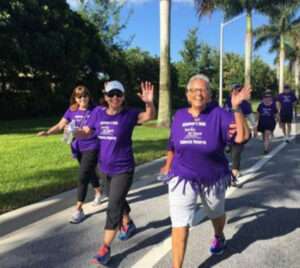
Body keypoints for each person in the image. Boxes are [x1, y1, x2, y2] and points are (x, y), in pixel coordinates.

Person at [160, 74, 250, 268]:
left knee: (215, 213)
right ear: (187, 94)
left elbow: (242, 136)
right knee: (179, 224)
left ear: (209, 95)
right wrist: (168, 165)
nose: (198, 94)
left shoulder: (219, 114)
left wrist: (236, 108)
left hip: (213, 177)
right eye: (193, 90)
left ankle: (219, 235)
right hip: (181, 177)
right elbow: (172, 144)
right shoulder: (180, 115)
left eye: (203, 90)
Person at [76, 80, 155, 265]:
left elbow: (149, 116)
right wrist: (76, 132)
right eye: (111, 94)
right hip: (104, 167)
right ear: (105, 97)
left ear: (123, 97)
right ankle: (128, 224)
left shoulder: (129, 114)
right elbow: (87, 131)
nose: (115, 98)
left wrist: (149, 102)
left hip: (124, 168)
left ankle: (104, 248)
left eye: (118, 94)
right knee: (117, 198)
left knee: (113, 205)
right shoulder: (97, 113)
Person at [37, 85, 103, 223]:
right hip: (78, 147)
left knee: (82, 176)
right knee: (89, 172)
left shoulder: (96, 110)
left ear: (89, 96)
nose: (83, 98)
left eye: (85, 95)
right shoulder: (72, 110)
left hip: (93, 146)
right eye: (79, 96)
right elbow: (61, 125)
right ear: (75, 98)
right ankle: (98, 191)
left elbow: (88, 131)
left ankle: (79, 209)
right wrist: (48, 133)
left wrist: (74, 131)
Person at [224, 84, 255, 185]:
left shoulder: (245, 103)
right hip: (228, 132)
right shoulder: (227, 101)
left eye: (239, 90)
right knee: (233, 152)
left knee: (236, 152)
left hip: (240, 130)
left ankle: (234, 174)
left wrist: (254, 127)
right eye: (234, 90)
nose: (236, 92)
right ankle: (235, 169)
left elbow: (250, 116)